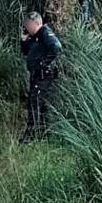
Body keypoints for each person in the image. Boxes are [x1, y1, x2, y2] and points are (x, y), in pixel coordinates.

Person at [20, 12, 62, 142]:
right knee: (37, 103)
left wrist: (44, 63)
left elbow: (56, 47)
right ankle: (42, 134)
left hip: (43, 76)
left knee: (35, 103)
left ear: (36, 23)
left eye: (28, 24)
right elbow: (26, 52)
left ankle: (32, 135)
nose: (27, 27)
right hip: (35, 75)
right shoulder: (34, 37)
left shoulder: (44, 33)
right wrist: (23, 40)